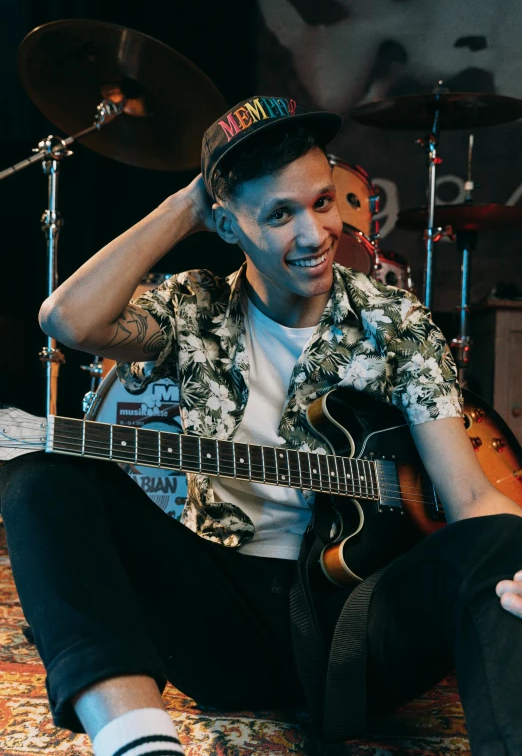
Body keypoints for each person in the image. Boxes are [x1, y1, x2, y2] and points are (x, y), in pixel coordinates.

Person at [1, 95, 522, 756]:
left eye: (323, 202)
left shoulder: (394, 323)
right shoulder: (194, 307)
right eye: (279, 214)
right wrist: (188, 203)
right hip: (226, 621)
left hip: (367, 623)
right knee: (41, 471)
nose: (313, 233)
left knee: (504, 540)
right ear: (225, 223)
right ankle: (137, 741)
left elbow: (471, 498)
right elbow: (67, 321)